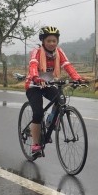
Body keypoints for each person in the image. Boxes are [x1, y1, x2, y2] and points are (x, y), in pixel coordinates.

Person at [25, 26, 85, 157]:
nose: (52, 43)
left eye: (54, 41)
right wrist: (36, 77)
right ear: (43, 41)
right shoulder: (37, 52)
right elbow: (33, 65)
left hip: (49, 83)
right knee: (38, 113)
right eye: (49, 41)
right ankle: (36, 144)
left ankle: (50, 121)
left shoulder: (59, 52)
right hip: (34, 86)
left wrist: (77, 78)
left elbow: (67, 65)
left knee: (60, 100)